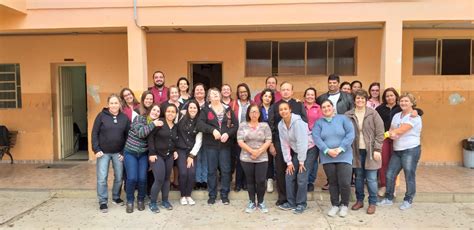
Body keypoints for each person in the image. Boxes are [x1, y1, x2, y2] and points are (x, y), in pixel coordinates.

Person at [378, 93, 422, 211]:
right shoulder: (397, 115)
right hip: (397, 150)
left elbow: (402, 129)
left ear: (412, 103)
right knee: (390, 174)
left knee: (409, 175)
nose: (403, 103)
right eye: (402, 101)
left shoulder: (414, 117)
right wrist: (390, 134)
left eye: (406, 101)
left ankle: (408, 199)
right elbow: (392, 129)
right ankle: (388, 198)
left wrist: (388, 134)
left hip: (411, 149)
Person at [312, 100, 355, 218]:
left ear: (333, 107)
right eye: (324, 107)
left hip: (344, 156)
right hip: (327, 157)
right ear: (321, 110)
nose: (326, 109)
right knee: (333, 182)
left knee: (345, 182)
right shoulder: (319, 123)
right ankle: (335, 205)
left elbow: (350, 134)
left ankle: (344, 205)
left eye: (328, 106)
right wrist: (327, 150)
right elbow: (316, 137)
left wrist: (340, 149)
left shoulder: (343, 119)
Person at [345, 90, 384, 215]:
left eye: (362, 98)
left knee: (372, 179)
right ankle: (359, 200)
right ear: (354, 100)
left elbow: (380, 133)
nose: (360, 100)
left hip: (371, 151)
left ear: (366, 100)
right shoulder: (348, 115)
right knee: (359, 178)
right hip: (355, 151)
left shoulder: (373, 114)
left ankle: (372, 202)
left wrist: (377, 149)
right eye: (357, 98)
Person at [268, 82, 307, 206]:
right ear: (280, 91)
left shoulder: (298, 104)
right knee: (280, 170)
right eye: (283, 89)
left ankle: (295, 197)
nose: (285, 91)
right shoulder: (275, 106)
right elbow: (271, 126)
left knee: (295, 170)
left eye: (288, 89)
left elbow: (305, 122)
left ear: (292, 91)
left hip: (296, 144)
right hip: (280, 142)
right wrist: (272, 144)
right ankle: (283, 197)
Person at [197, 88, 238, 205]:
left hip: (225, 146)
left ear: (220, 96)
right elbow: (200, 124)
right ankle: (212, 195)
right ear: (208, 98)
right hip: (211, 146)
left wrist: (228, 133)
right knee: (211, 171)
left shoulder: (228, 109)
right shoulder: (205, 110)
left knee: (225, 170)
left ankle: (224, 194)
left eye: (216, 93)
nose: (214, 95)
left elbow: (235, 126)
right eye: (211, 94)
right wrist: (212, 130)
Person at [92, 94, 131, 213]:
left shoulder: (124, 118)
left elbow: (128, 136)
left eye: (116, 103)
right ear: (108, 104)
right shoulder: (101, 116)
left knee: (119, 177)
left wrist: (123, 152)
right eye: (111, 103)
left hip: (118, 153)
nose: (114, 105)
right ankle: (103, 201)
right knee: (102, 178)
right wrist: (96, 149)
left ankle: (116, 197)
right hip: (103, 153)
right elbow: (94, 133)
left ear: (120, 104)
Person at [123, 104, 163, 213]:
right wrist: (153, 124)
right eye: (154, 109)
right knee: (132, 178)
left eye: (158, 111)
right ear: (150, 110)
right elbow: (141, 133)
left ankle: (140, 199)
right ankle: (130, 200)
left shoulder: (158, 124)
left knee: (142, 178)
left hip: (143, 154)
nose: (155, 112)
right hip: (130, 153)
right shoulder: (139, 118)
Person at [237, 104, 272, 213]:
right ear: (248, 113)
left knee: (261, 181)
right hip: (246, 158)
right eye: (252, 112)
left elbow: (268, 140)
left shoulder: (265, 126)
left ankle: (261, 202)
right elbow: (240, 141)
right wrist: (252, 151)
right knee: (250, 180)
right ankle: (252, 202)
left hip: (262, 158)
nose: (254, 114)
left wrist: (259, 152)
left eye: (256, 112)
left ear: (259, 113)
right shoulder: (243, 125)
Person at [277, 101, 310, 214]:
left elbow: (302, 142)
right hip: (297, 150)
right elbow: (284, 144)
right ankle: (291, 203)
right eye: (281, 109)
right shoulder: (281, 125)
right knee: (289, 174)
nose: (283, 111)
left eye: (285, 109)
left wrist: (301, 161)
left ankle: (301, 203)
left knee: (301, 176)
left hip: (309, 149)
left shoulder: (297, 122)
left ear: (290, 109)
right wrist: (289, 162)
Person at [147, 104, 179, 213]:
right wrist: (151, 153)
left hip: (169, 156)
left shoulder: (175, 126)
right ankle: (153, 202)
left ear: (175, 114)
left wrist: (174, 150)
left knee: (167, 179)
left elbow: (174, 140)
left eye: (173, 112)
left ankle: (165, 201)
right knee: (159, 178)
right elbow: (150, 137)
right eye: (168, 111)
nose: (170, 113)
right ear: (165, 113)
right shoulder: (159, 122)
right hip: (157, 155)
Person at [176, 100, 202, 205]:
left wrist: (192, 155)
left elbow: (199, 140)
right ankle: (182, 196)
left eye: (195, 108)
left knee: (191, 173)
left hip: (192, 151)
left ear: (198, 109)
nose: (192, 109)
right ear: (187, 109)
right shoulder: (181, 117)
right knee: (183, 173)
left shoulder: (199, 122)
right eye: (190, 107)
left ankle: (188, 195)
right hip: (180, 150)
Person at [230, 83, 253, 192]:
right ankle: (238, 183)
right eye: (240, 92)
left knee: (248, 160)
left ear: (248, 92)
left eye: (245, 91)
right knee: (239, 160)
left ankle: (246, 183)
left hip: (250, 136)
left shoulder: (252, 104)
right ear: (238, 93)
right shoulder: (234, 104)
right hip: (237, 136)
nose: (243, 93)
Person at [303, 87, 323, 192]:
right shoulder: (301, 106)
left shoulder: (319, 108)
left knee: (314, 161)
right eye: (308, 94)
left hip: (315, 137)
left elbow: (321, 123)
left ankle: (310, 181)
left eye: (312, 94)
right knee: (304, 159)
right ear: (304, 96)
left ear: (315, 96)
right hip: (302, 137)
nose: (310, 96)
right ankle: (304, 181)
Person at [259, 88, 276, 193]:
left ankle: (269, 180)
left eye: (270, 96)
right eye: (265, 96)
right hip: (259, 139)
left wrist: (271, 142)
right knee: (260, 160)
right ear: (262, 97)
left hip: (271, 139)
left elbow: (275, 126)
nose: (267, 98)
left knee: (269, 160)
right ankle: (261, 182)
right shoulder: (257, 108)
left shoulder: (275, 109)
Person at [192, 83, 208, 190]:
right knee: (196, 157)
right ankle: (197, 180)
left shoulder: (209, 105)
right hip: (193, 136)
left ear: (205, 92)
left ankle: (205, 180)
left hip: (207, 136)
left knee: (206, 158)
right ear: (194, 92)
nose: (199, 92)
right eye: (197, 90)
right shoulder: (190, 104)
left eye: (201, 90)